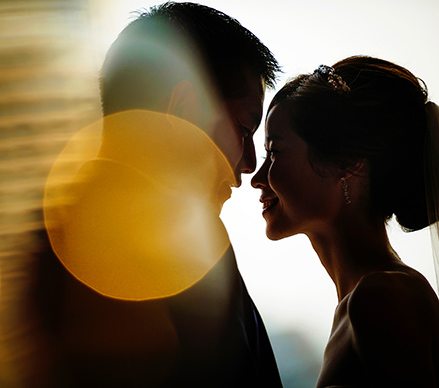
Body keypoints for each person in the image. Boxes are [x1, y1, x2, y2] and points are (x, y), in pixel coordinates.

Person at [39, 2, 284, 386]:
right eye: (242, 129)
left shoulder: (42, 232)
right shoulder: (186, 246)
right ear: (182, 108)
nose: (249, 164)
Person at [252, 55, 439, 387]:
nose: (257, 178)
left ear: (347, 162)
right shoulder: (365, 299)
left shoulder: (383, 297)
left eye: (274, 152)